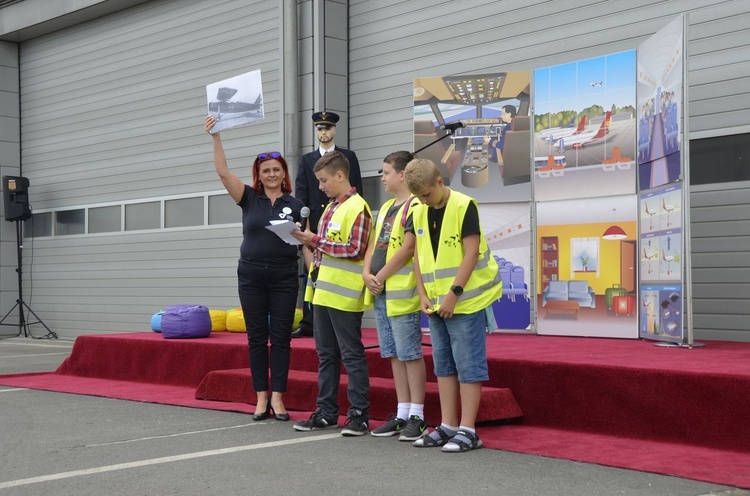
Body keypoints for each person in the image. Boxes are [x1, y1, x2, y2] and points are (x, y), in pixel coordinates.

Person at [205, 115, 304, 423]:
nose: (272, 174)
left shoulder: (297, 203)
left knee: (282, 338)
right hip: (251, 275)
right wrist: (216, 136)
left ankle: (278, 396)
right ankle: (260, 396)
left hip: (285, 275)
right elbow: (223, 172)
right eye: (266, 171)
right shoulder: (249, 198)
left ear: (284, 174)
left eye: (277, 170)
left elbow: (306, 242)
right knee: (256, 337)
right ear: (258, 176)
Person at [403, 158, 502, 453]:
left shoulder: (463, 205)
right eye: (418, 197)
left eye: (427, 195)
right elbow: (418, 256)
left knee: (468, 365)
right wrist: (422, 294)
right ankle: (447, 425)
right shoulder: (418, 209)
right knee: (444, 365)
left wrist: (453, 294)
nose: (423, 201)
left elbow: (471, 253)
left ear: (439, 182)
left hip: (466, 301)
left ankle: (468, 430)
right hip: (436, 302)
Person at [291, 150, 372, 436]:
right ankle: (326, 412)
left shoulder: (358, 207)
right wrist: (308, 244)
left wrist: (314, 240)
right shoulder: (330, 208)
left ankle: (359, 414)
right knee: (326, 355)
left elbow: (354, 249)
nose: (321, 186)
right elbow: (324, 250)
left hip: (345, 295)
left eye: (324, 180)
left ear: (340, 176)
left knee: (351, 355)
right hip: (324, 293)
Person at [362, 151, 428, 441]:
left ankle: (418, 414)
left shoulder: (414, 205)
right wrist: (367, 273)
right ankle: (401, 413)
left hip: (401, 292)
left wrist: (382, 275)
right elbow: (374, 243)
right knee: (392, 353)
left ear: (403, 175)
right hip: (381, 292)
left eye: (386, 172)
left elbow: (409, 248)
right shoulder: (387, 206)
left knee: (410, 353)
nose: (382, 177)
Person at [292, 111, 364, 338]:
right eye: (320, 129)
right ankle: (309, 322)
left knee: (337, 273)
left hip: (341, 221)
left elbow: (357, 188)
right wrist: (306, 227)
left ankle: (338, 322)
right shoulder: (306, 160)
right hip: (315, 223)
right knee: (311, 274)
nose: (323, 133)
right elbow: (302, 194)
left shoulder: (348, 156)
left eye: (327, 128)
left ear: (334, 130)